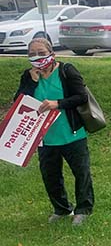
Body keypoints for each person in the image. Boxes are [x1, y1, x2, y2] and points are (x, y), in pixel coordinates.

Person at [14, 38, 93, 226]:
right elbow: (18, 102)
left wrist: (57, 104)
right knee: (50, 175)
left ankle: (83, 209)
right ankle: (62, 209)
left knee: (81, 172)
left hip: (71, 134)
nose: (37, 57)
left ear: (52, 53)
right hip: (45, 137)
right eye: (32, 54)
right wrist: (32, 83)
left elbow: (81, 97)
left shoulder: (67, 71)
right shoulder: (29, 75)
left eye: (41, 52)